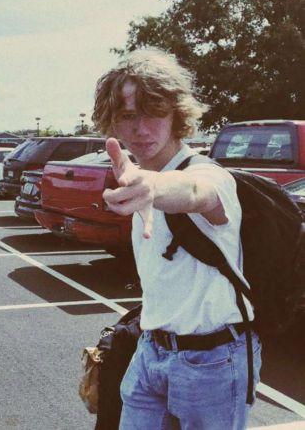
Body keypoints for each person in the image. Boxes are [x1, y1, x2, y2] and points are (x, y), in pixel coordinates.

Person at [92, 47, 261, 430]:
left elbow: (198, 193)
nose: (141, 128)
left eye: (154, 112)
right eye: (128, 116)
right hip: (151, 351)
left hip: (213, 360)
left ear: (176, 114)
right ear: (113, 121)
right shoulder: (134, 175)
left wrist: (153, 186)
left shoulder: (208, 174)